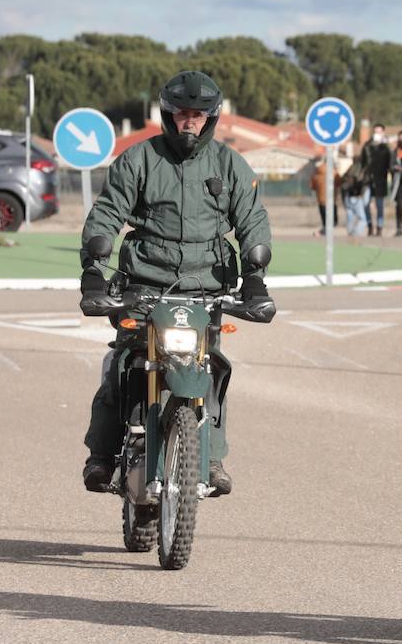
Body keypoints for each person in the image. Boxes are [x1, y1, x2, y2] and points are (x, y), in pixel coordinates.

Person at [78, 70, 272, 494]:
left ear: (211, 119)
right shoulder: (139, 159)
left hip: (207, 289)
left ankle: (211, 456)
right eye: (183, 114)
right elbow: (108, 211)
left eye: (198, 116)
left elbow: (252, 220)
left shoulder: (229, 164)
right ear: (168, 115)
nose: (190, 122)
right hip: (143, 285)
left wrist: (255, 278)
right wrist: (93, 268)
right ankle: (103, 452)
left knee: (212, 368)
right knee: (123, 364)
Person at [358, 124, 392, 236]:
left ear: (383, 132)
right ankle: (370, 226)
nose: (377, 134)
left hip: (381, 180)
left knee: (379, 205)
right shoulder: (367, 146)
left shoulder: (386, 148)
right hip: (368, 180)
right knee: (365, 203)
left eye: (379, 131)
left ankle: (379, 227)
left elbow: (390, 164)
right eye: (375, 131)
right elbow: (362, 162)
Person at [308, 156, 339, 235]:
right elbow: (339, 182)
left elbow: (312, 185)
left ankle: (325, 230)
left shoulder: (317, 171)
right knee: (333, 219)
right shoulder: (334, 172)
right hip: (332, 198)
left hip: (321, 198)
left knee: (325, 217)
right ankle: (326, 231)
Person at [339, 155, 368, 237]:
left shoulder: (349, 170)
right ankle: (356, 233)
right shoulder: (360, 170)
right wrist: (362, 194)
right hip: (356, 197)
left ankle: (350, 232)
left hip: (347, 197)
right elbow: (364, 183)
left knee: (350, 216)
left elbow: (343, 182)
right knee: (363, 219)